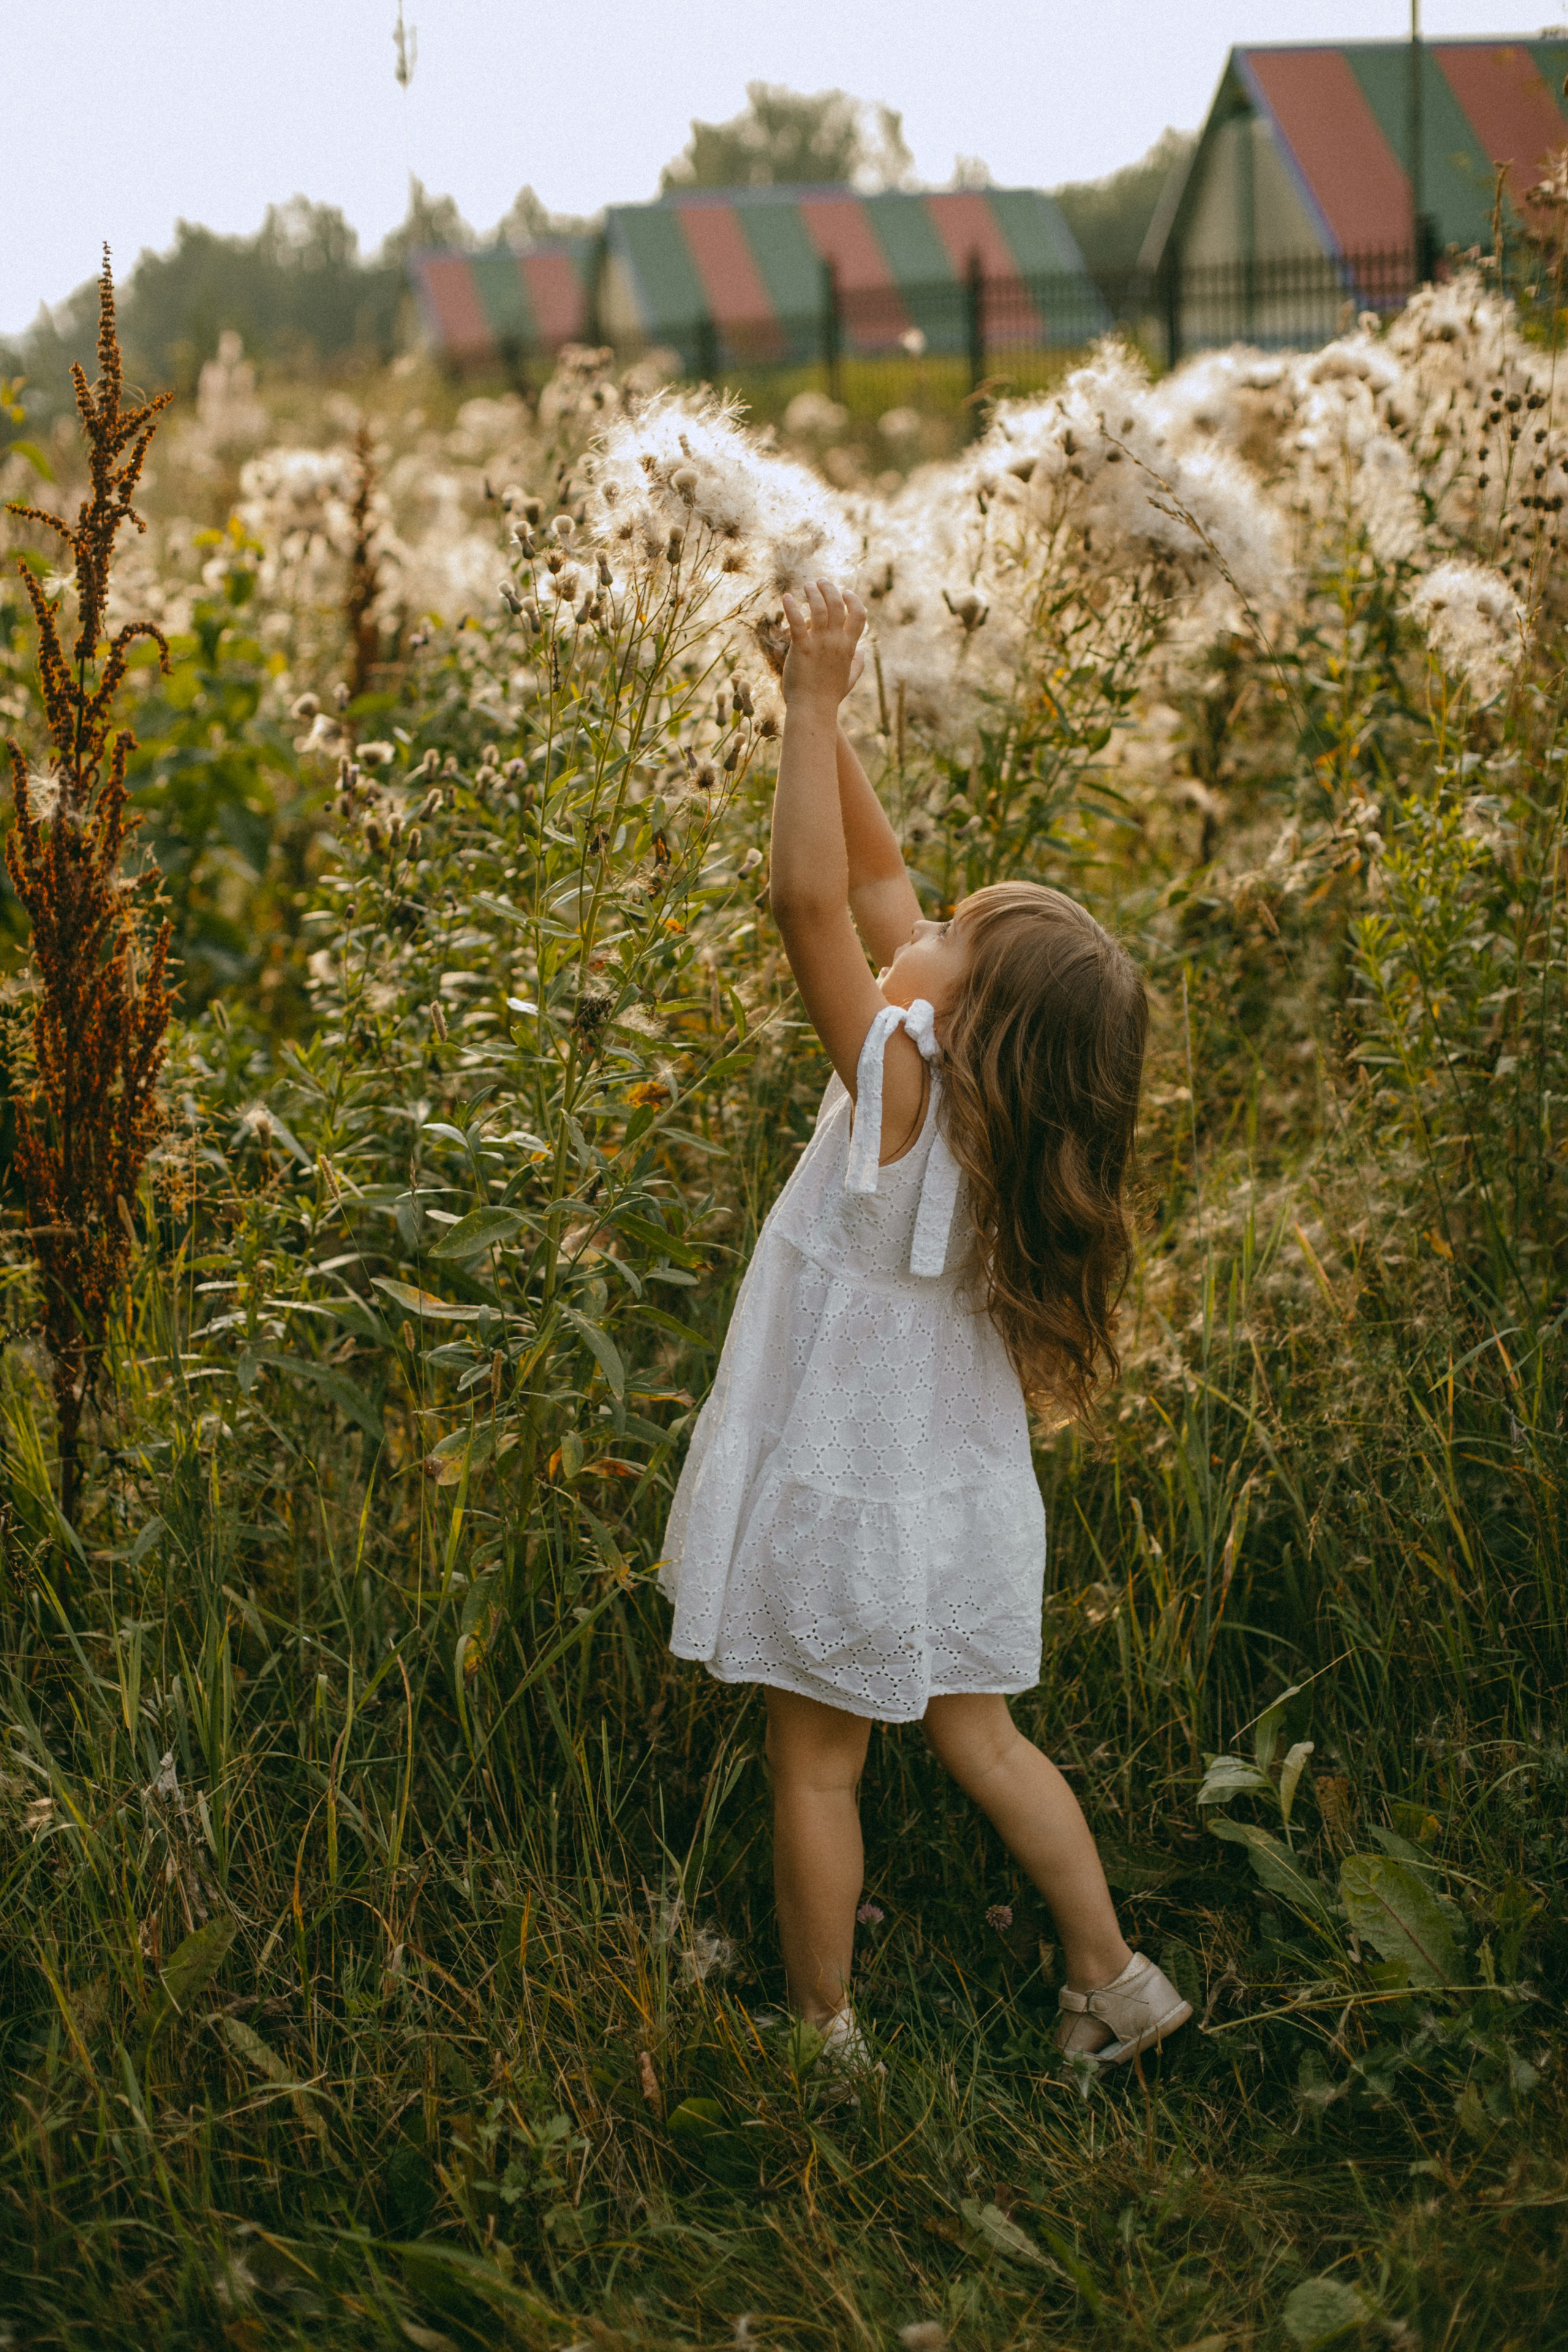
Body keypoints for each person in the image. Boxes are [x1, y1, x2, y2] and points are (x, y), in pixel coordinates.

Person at [659, 578, 1190, 2068]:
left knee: (815, 1768)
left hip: (850, 1483)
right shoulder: (982, 1111)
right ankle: (1111, 1976)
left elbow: (810, 904)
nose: (923, 917)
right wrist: (809, 710)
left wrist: (813, 706)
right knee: (984, 1738)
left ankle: (820, 2034)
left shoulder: (895, 1078)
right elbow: (879, 873)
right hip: (949, 1488)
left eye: (950, 934)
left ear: (959, 1020)